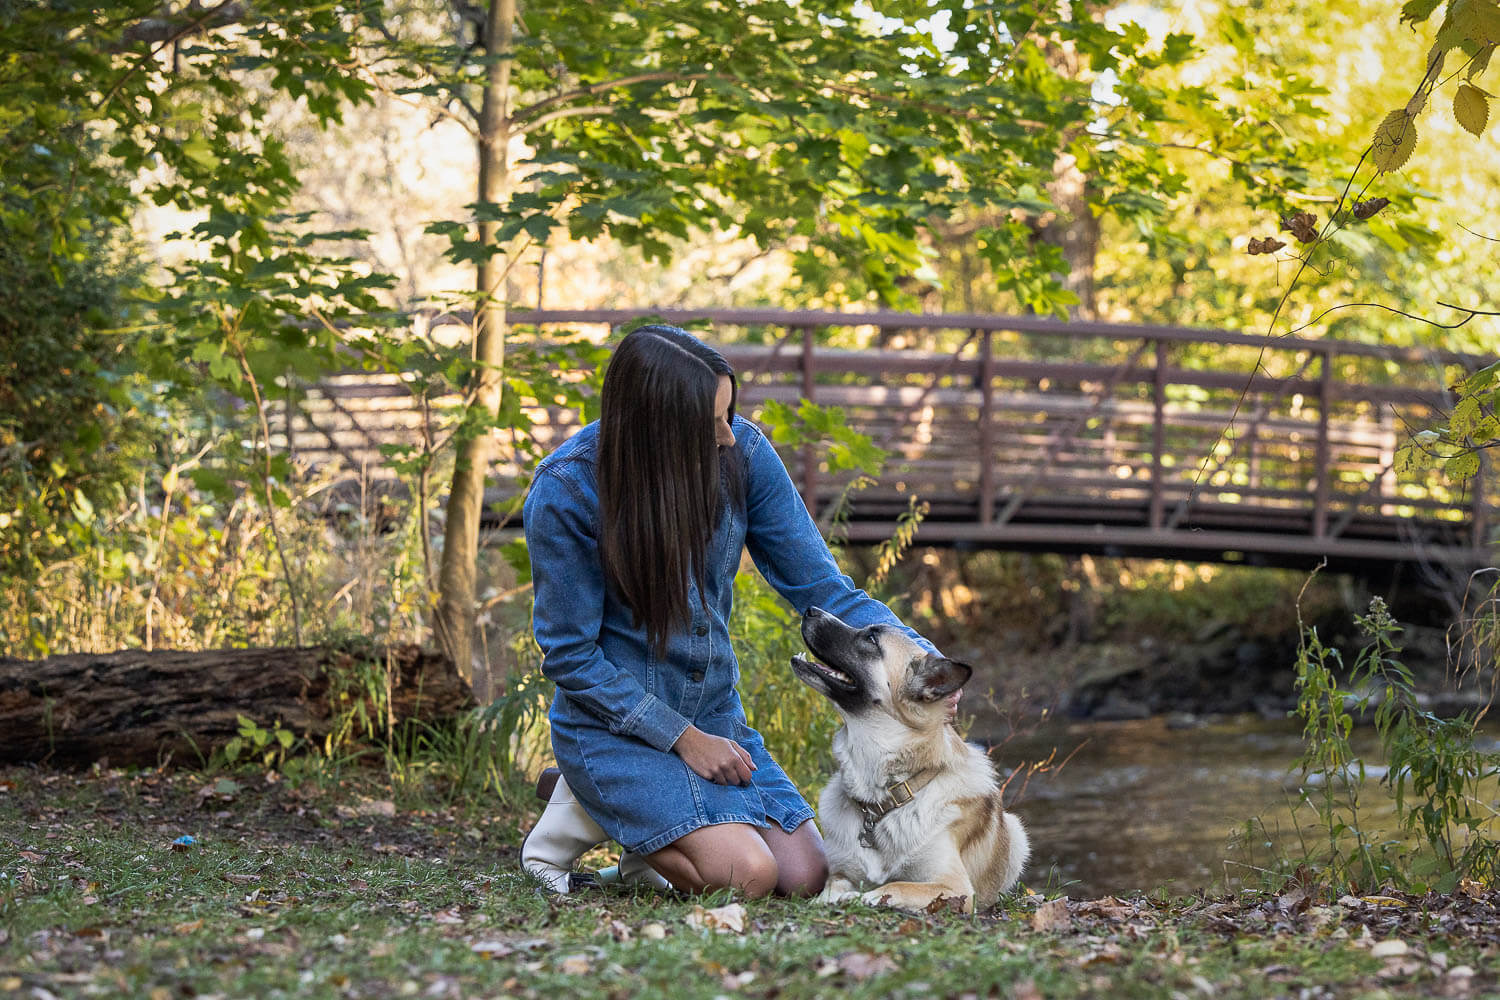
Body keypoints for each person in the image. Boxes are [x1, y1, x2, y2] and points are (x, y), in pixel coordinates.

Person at [518, 324, 943, 898]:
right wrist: (685, 739)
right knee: (750, 875)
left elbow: (822, 588)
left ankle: (633, 834)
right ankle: (585, 799)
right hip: (612, 726)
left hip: (715, 717)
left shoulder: (743, 454)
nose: (728, 435)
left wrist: (925, 662)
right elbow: (570, 659)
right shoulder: (566, 490)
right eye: (711, 423)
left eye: (729, 413)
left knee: (804, 877)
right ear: (655, 430)